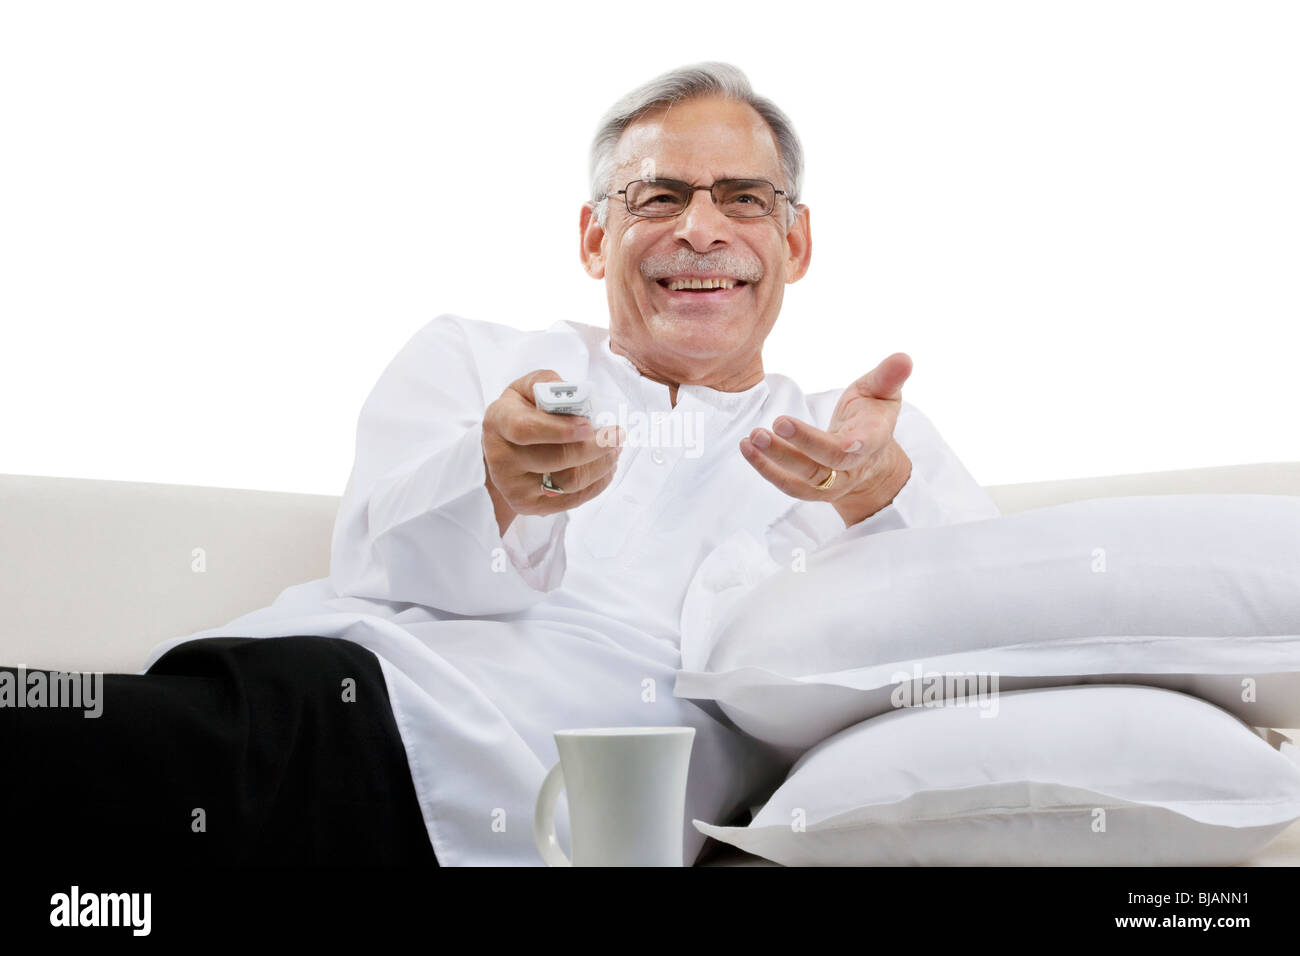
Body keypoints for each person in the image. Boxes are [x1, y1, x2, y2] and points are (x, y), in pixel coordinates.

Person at [1, 61, 1000, 867]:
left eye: (744, 196)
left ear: (796, 238)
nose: (702, 227)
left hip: (519, 803)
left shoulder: (860, 437)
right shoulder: (478, 360)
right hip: (323, 709)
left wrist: (876, 501)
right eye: (658, 196)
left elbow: (998, 638)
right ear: (593, 234)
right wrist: (495, 480)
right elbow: (374, 560)